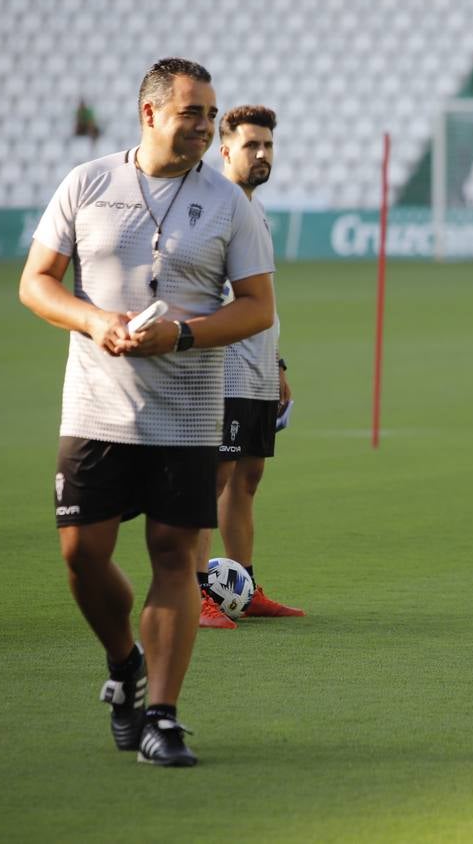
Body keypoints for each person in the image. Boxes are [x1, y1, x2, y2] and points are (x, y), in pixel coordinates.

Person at [18, 58, 275, 767]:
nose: (202, 126)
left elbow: (258, 307)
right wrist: (94, 321)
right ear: (151, 113)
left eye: (208, 113)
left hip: (188, 414)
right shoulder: (88, 182)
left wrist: (182, 333)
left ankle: (162, 714)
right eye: (191, 112)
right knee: (81, 555)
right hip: (96, 409)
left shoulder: (229, 204)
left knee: (172, 558)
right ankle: (125, 663)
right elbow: (36, 282)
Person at [196, 104, 303, 629]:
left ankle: (241, 585)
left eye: (268, 146)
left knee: (249, 477)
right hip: (224, 368)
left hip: (258, 367)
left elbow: (261, 297)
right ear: (225, 150)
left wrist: (277, 363)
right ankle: (195, 592)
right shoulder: (216, 206)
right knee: (213, 478)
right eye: (250, 146)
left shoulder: (253, 208)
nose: (261, 154)